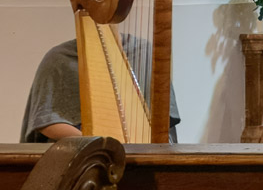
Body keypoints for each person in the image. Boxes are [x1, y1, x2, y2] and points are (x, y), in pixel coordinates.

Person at [21, 38, 180, 142]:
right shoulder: (59, 57)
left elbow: (164, 121)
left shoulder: (144, 52)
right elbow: (45, 121)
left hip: (140, 151)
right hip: (78, 155)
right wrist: (99, 145)